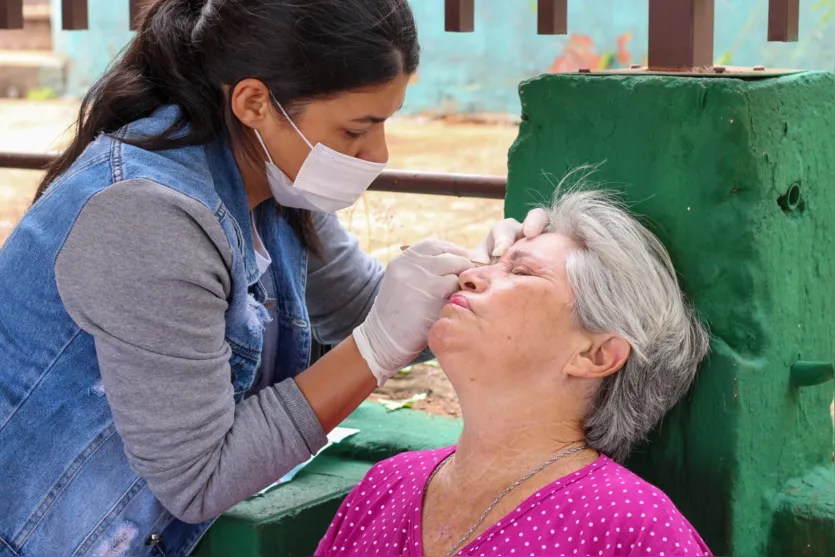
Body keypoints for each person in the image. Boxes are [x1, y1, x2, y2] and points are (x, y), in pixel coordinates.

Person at [0, 1, 548, 555]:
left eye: (387, 120)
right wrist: (375, 346)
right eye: (358, 128)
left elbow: (364, 306)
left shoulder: (276, 180)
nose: (379, 153)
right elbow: (199, 478)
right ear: (255, 103)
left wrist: (486, 278)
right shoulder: (148, 217)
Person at [316, 187, 713, 557]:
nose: (469, 275)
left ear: (595, 355)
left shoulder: (632, 528)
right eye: (490, 263)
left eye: (521, 272)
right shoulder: (386, 485)